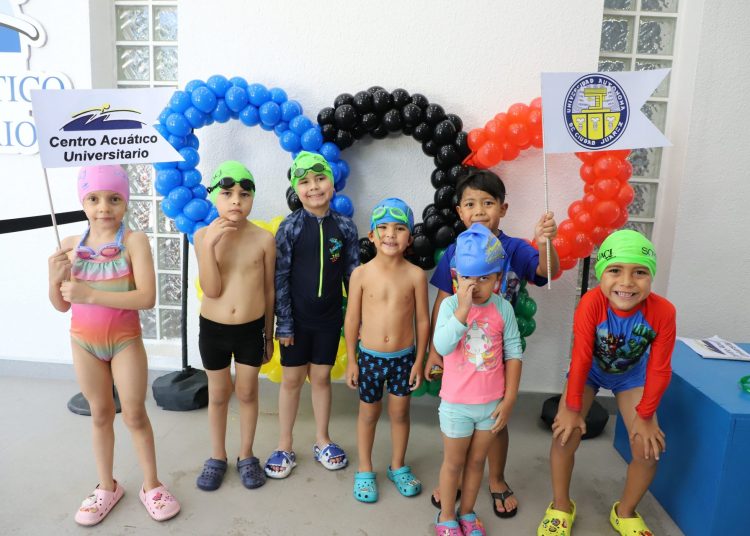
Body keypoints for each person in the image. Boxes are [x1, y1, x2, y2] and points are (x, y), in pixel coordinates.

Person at [48, 165, 180, 526]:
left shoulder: (134, 242)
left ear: (125, 201)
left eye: (114, 198)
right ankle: (106, 486)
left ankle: (152, 484)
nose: (103, 207)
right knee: (100, 414)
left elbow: (147, 297)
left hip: (125, 342)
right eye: (93, 198)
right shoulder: (69, 245)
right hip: (84, 344)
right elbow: (61, 305)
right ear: (82, 201)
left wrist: (90, 293)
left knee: (134, 413)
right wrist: (53, 276)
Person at [425, 168, 558, 516]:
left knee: (496, 420)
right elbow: (443, 299)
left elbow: (546, 272)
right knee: (458, 420)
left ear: (503, 208)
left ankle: (496, 479)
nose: (479, 210)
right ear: (459, 211)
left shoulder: (514, 248)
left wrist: (546, 243)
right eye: (470, 204)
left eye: (488, 202)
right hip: (459, 348)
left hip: (499, 344)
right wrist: (433, 352)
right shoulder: (455, 250)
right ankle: (452, 477)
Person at [537, 229, 675, 536]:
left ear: (651, 276)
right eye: (615, 271)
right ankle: (561, 506)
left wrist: (646, 416)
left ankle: (624, 512)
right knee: (565, 436)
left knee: (647, 449)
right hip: (590, 371)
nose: (627, 282)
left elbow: (660, 368)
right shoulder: (591, 303)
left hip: (631, 376)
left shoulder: (663, 312)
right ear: (601, 274)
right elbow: (580, 357)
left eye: (639, 272)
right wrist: (572, 408)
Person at [265, 151, 359, 478]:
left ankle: (322, 440)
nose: (314, 187)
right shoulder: (289, 228)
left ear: (332, 183)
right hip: (296, 320)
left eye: (320, 179)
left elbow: (353, 278)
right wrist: (284, 323)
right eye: (305, 182)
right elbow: (280, 278)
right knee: (291, 380)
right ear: (296, 189)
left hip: (329, 319)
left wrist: (356, 321)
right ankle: (284, 445)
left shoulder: (345, 227)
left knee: (321, 379)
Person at [432, 224, 523, 536]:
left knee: (476, 463)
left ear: (498, 278)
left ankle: (467, 513)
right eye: (468, 277)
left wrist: (509, 399)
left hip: (490, 406)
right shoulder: (449, 306)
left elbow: (514, 352)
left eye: (484, 278)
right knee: (454, 463)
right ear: (456, 277)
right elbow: (442, 346)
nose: (475, 285)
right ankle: (446, 516)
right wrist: (462, 311)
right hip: (456, 405)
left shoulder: (503, 308)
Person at [193, 161, 275, 491]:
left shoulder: (264, 239)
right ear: (214, 196)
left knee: (247, 391)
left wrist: (268, 336)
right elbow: (211, 290)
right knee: (218, 393)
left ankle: (247, 454)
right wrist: (209, 246)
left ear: (252, 198)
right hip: (213, 330)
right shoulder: (202, 236)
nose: (236, 201)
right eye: (227, 194)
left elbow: (269, 291)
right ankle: (217, 456)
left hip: (251, 330)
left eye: (244, 194)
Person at [344, 198, 430, 503]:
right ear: (371, 235)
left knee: (400, 413)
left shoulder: (416, 275)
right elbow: (351, 319)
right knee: (368, 414)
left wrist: (419, 361)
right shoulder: (361, 274)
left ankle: (397, 465)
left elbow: (422, 320)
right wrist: (352, 360)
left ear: (410, 238)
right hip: (369, 358)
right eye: (382, 227)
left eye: (399, 228)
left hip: (403, 359)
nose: (390, 234)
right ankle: (365, 468)